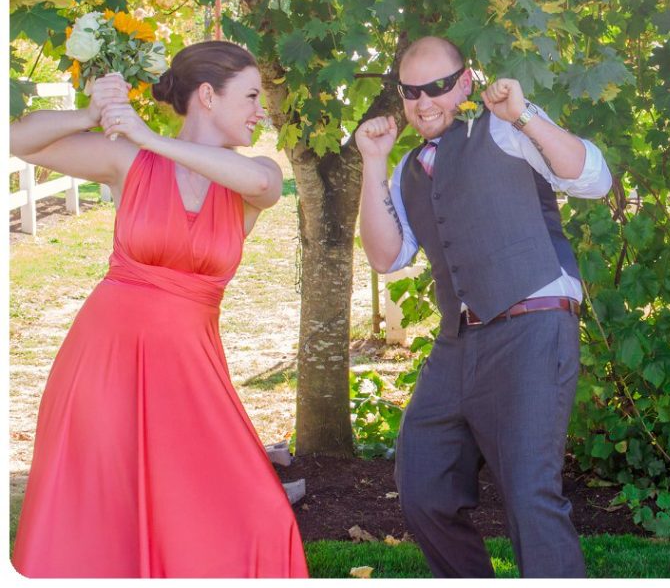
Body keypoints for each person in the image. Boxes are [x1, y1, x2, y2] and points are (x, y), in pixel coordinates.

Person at [10, 42, 308, 578]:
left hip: (191, 372)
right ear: (208, 97)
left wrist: (150, 137)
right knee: (104, 518)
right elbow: (16, 141)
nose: (260, 109)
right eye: (251, 96)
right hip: (104, 363)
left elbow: (266, 185)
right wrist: (91, 114)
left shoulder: (251, 175)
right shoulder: (129, 161)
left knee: (261, 515)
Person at [355, 36, 611, 578]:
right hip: (457, 343)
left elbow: (593, 179)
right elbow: (386, 256)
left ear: (465, 82)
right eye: (411, 92)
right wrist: (373, 163)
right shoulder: (405, 169)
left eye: (439, 88)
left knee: (528, 497)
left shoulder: (504, 126)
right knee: (423, 487)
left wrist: (523, 115)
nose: (425, 103)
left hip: (532, 328)